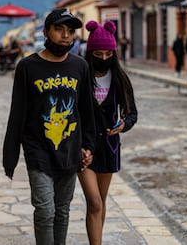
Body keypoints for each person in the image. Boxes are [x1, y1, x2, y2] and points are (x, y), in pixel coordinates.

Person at [2, 8, 96, 245]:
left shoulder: (80, 66)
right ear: (46, 32)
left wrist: (88, 145)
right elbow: (18, 113)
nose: (65, 35)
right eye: (59, 29)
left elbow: (86, 110)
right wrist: (10, 155)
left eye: (70, 30)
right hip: (38, 149)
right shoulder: (27, 67)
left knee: (62, 210)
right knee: (45, 211)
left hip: (70, 149)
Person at [78, 20, 138, 245]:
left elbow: (132, 114)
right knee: (94, 202)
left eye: (107, 53)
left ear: (113, 53)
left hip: (110, 148)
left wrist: (124, 125)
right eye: (98, 53)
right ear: (90, 52)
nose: (103, 58)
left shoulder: (121, 79)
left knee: (100, 202)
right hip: (85, 148)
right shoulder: (82, 77)